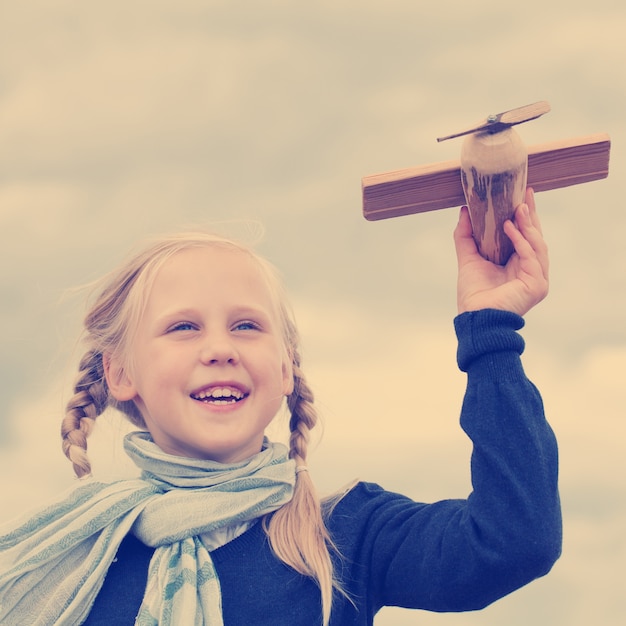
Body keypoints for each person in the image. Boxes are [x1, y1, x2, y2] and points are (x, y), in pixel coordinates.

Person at [0, 188, 561, 625]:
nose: (219, 348)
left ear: (288, 365)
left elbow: (513, 542)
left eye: (246, 325)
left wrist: (490, 331)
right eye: (183, 327)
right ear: (120, 373)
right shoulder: (71, 559)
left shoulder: (343, 535)